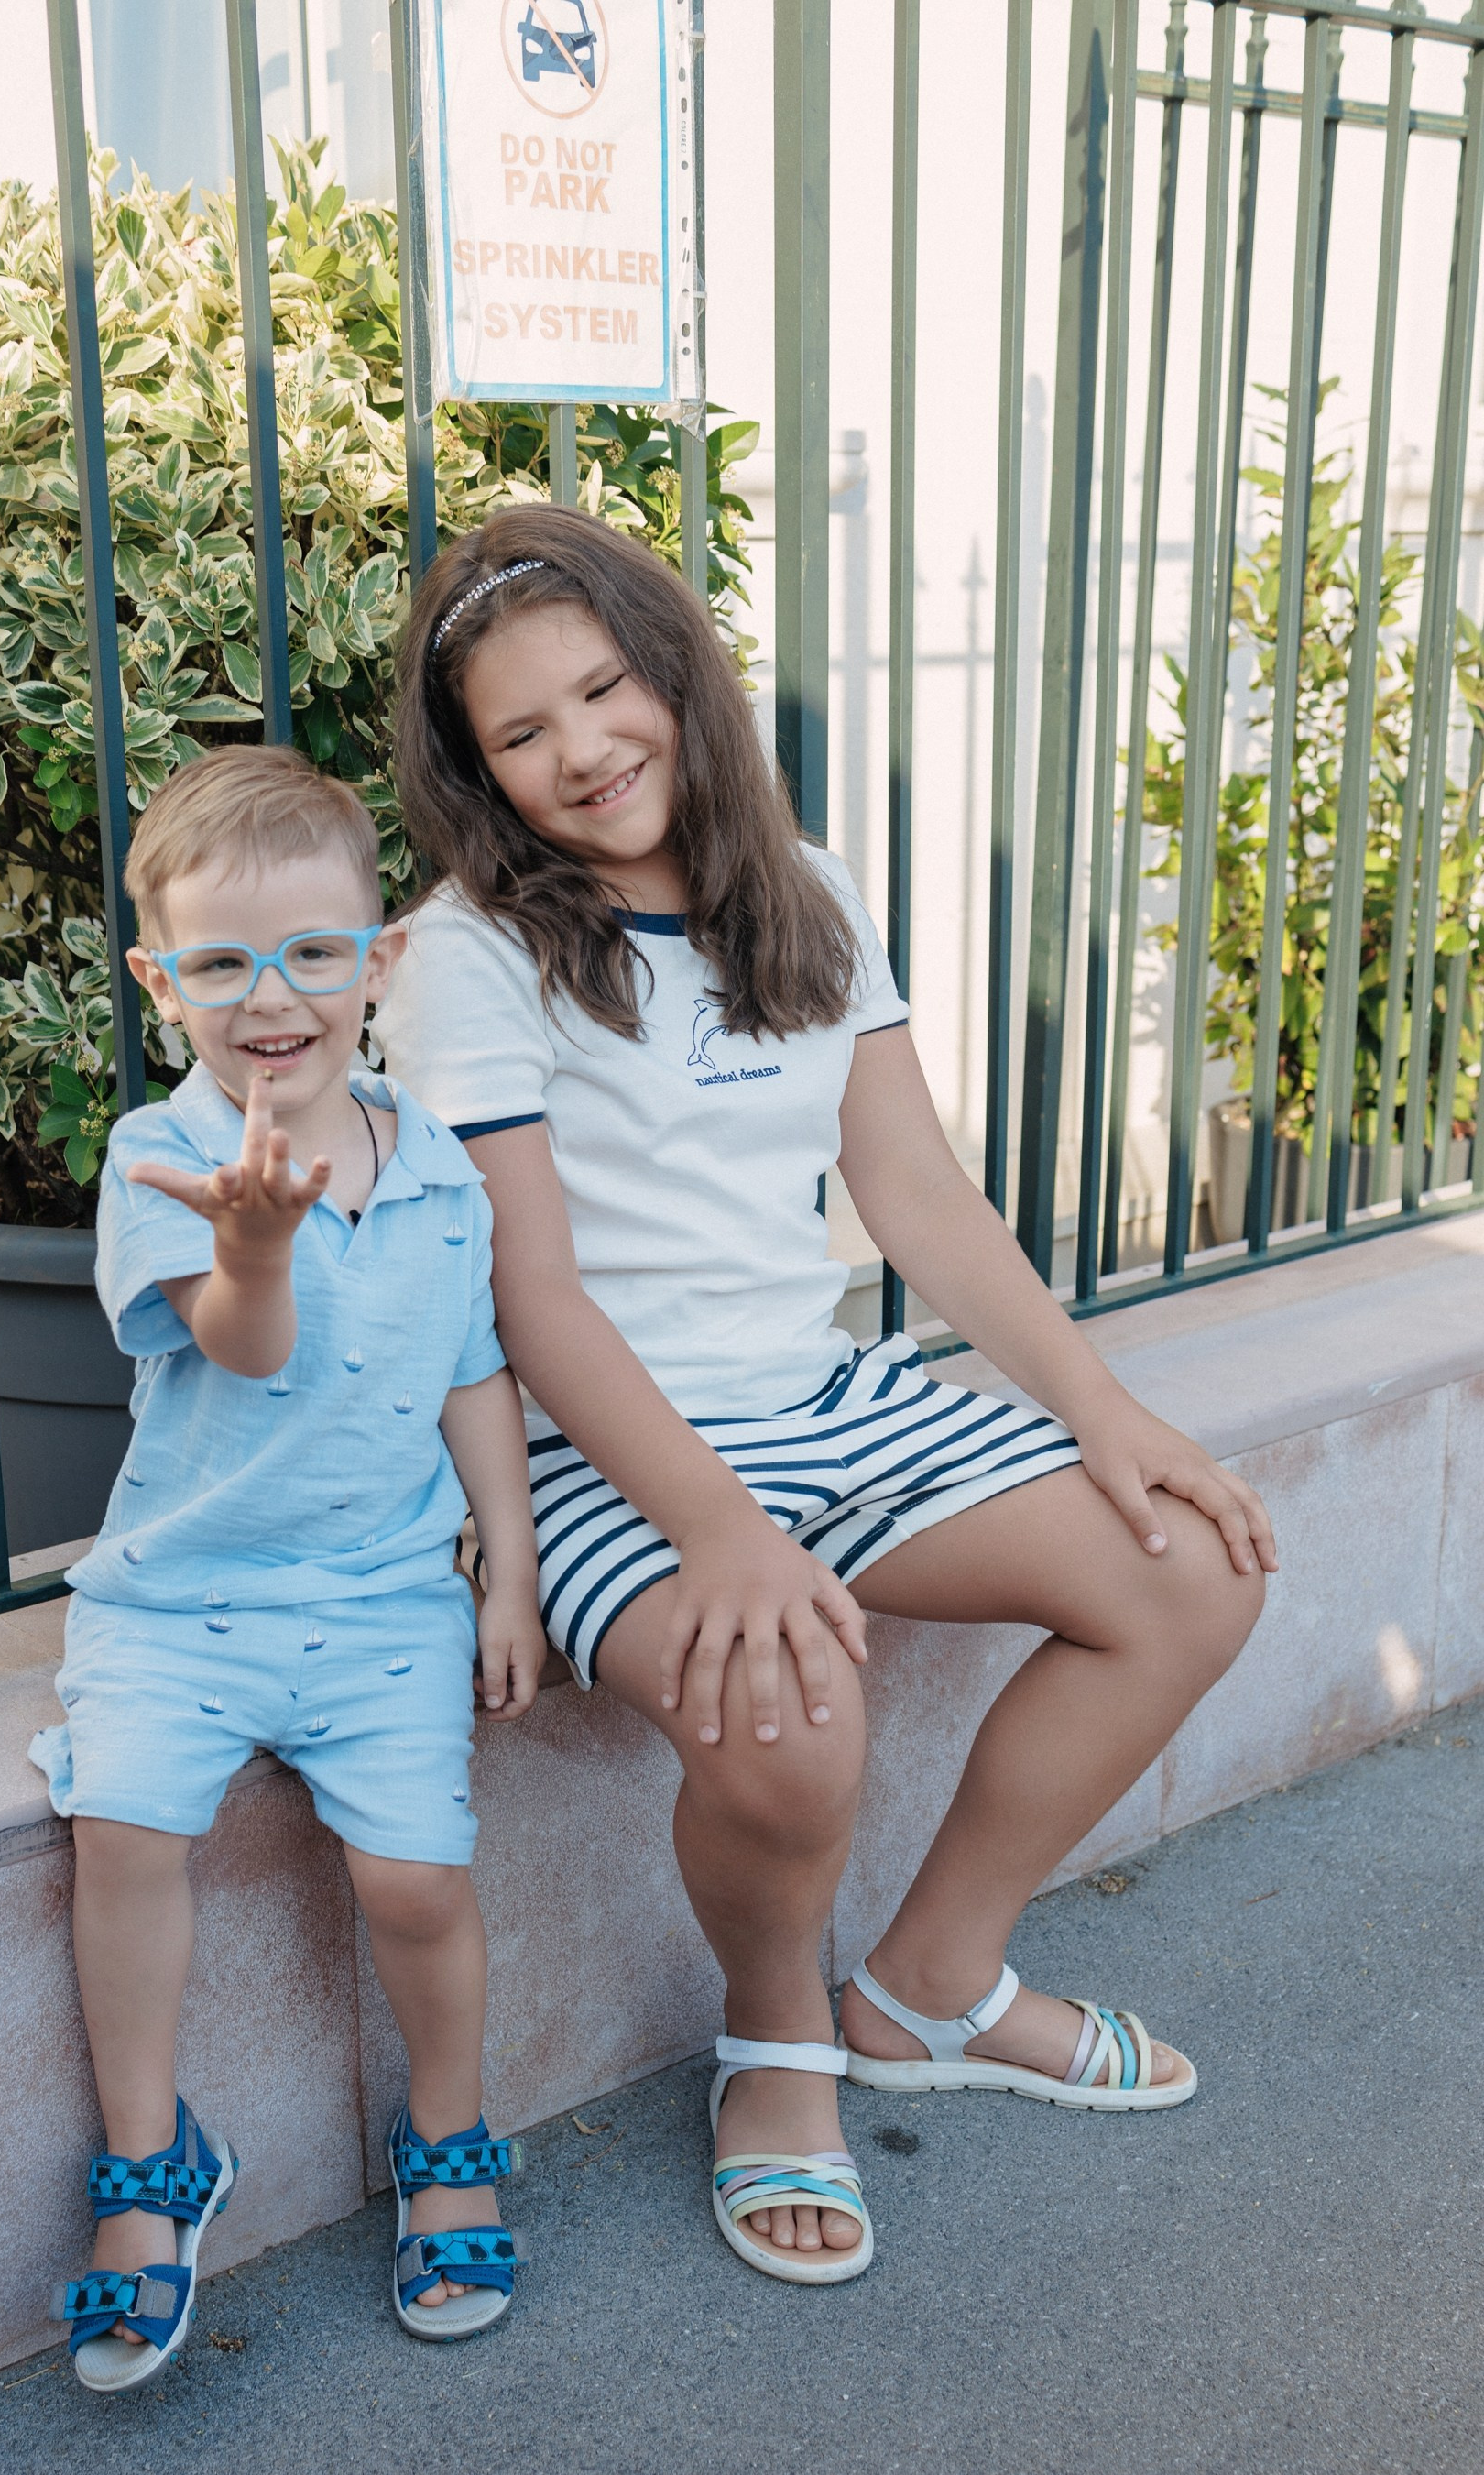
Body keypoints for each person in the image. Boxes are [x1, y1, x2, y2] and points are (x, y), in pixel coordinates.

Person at [376, 509, 1275, 2289]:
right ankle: (776, 2045)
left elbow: (920, 1201)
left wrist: (1106, 1413)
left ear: (675, 671)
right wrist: (715, 1532)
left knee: (1194, 1564)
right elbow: (526, 1290)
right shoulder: (473, 953)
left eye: (604, 690)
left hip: (824, 1393)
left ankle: (929, 1984)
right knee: (788, 1720)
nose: (581, 750)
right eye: (521, 734)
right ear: (476, 775)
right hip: (594, 1442)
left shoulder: (813, 889)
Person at [31, 746, 547, 2389]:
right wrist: (253, 1243)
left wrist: (511, 1576)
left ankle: (450, 2131)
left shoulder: (443, 1163)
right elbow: (242, 1352)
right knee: (122, 1838)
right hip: (177, 1605)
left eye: (316, 952)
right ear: (158, 978)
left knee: (415, 1879)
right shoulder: (156, 1157)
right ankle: (148, 2161)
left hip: (385, 1598)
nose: (275, 997)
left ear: (377, 962)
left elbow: (476, 1372)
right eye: (223, 962)